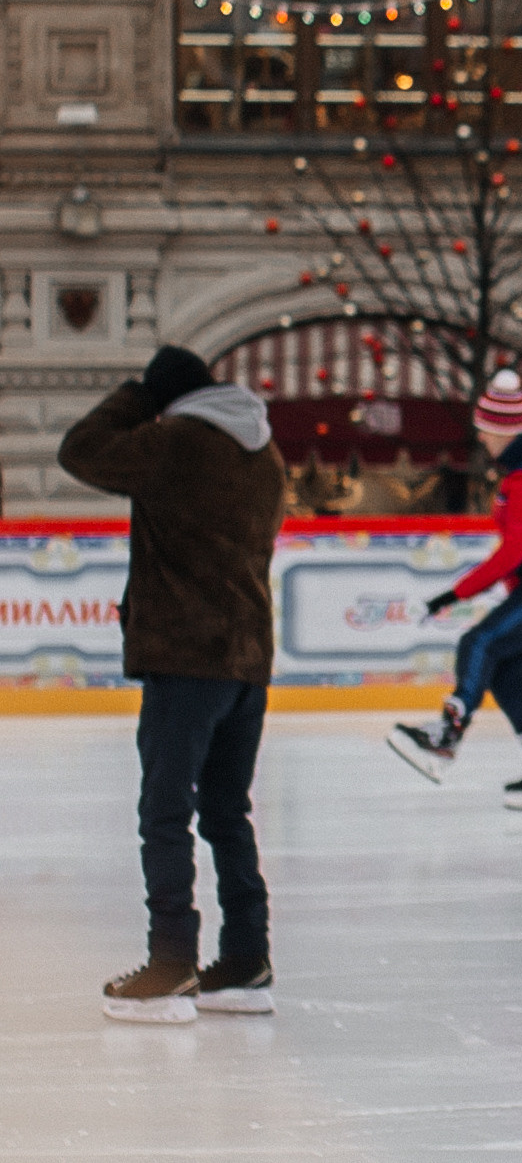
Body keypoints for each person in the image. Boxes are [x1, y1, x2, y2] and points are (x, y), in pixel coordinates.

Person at [57, 344, 287, 1022]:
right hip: (247, 660)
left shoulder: (177, 443)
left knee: (165, 811)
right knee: (226, 812)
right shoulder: (264, 453)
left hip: (186, 657)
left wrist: (136, 397)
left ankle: (171, 962)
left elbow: (80, 450)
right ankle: (245, 958)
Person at [386, 371, 522, 806]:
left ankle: (446, 736)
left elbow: (514, 551)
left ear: (503, 430)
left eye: (485, 429)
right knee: (506, 673)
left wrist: (453, 594)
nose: (480, 437)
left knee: (478, 642)